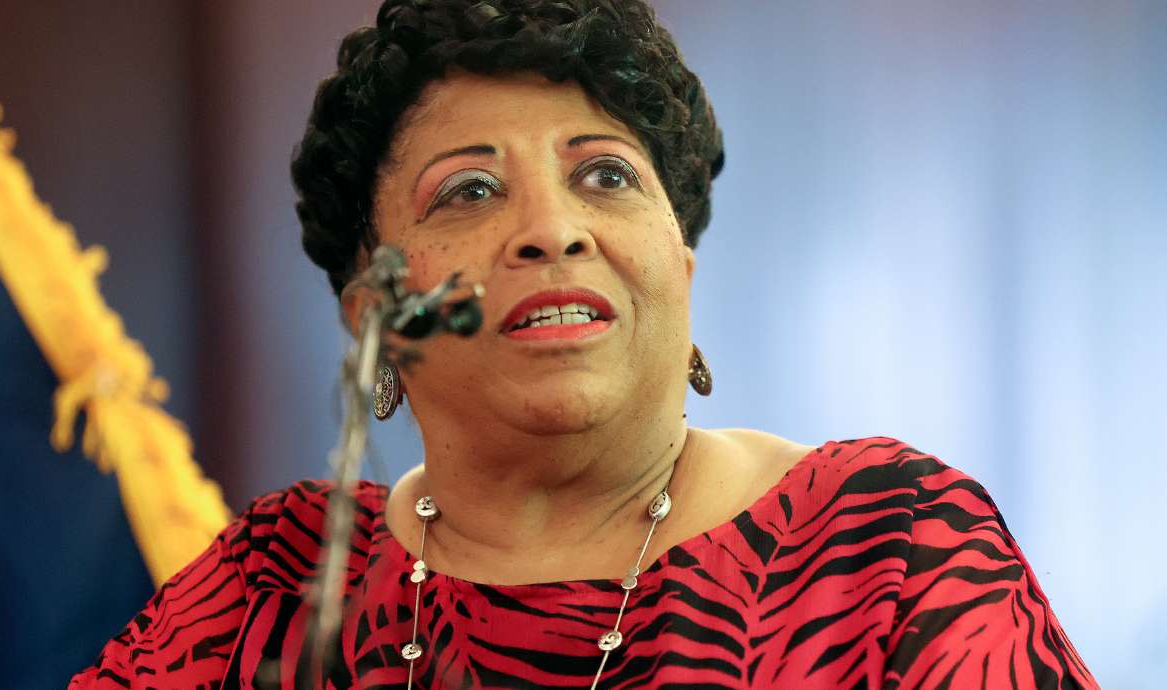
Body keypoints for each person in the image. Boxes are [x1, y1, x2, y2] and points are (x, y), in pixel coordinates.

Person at [71, 0, 1098, 687]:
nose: (552, 229)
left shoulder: (886, 547)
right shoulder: (270, 591)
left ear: (680, 267)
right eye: (468, 191)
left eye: (604, 175)